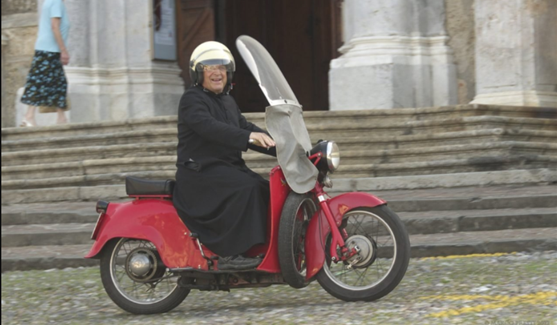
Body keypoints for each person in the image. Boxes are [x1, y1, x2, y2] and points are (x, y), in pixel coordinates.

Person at [172, 41, 277, 270]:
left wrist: (284, 146)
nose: (217, 73)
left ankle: (260, 248)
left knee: (265, 188)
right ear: (198, 72)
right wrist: (248, 137)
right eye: (210, 68)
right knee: (244, 189)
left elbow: (244, 126)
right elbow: (210, 127)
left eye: (222, 67)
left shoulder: (227, 101)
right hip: (200, 173)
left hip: (225, 169)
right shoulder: (191, 100)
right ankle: (229, 255)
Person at [20, 0, 70, 127]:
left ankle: (61, 118)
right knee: (40, 82)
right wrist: (63, 50)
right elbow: (54, 26)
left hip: (46, 49)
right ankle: (29, 116)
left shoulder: (49, 1)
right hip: (50, 50)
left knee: (57, 82)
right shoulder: (56, 3)